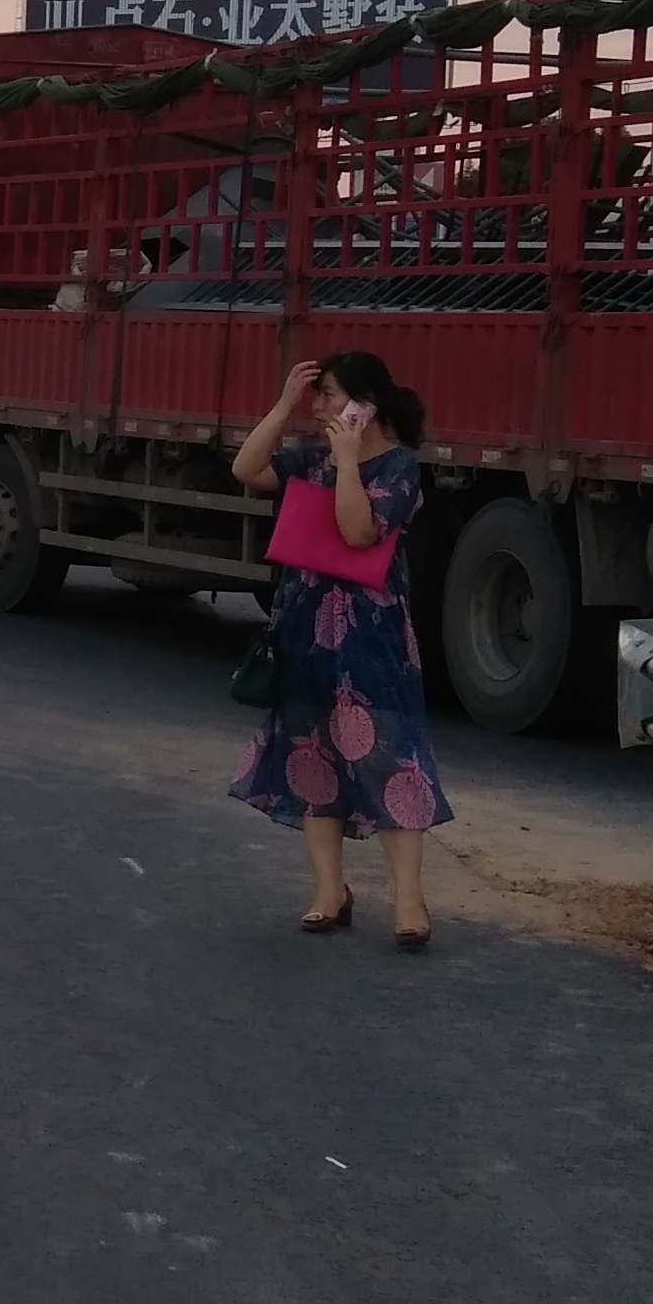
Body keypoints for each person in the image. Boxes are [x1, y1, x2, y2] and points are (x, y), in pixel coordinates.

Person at [228, 349, 452, 947]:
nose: (320, 407)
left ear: (364, 406)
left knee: (391, 756)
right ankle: (330, 892)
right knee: (313, 756)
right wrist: (283, 406)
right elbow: (247, 469)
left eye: (328, 395)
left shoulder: (400, 467)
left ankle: (409, 900)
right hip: (305, 628)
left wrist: (348, 462)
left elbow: (358, 532)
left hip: (372, 635)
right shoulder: (311, 459)